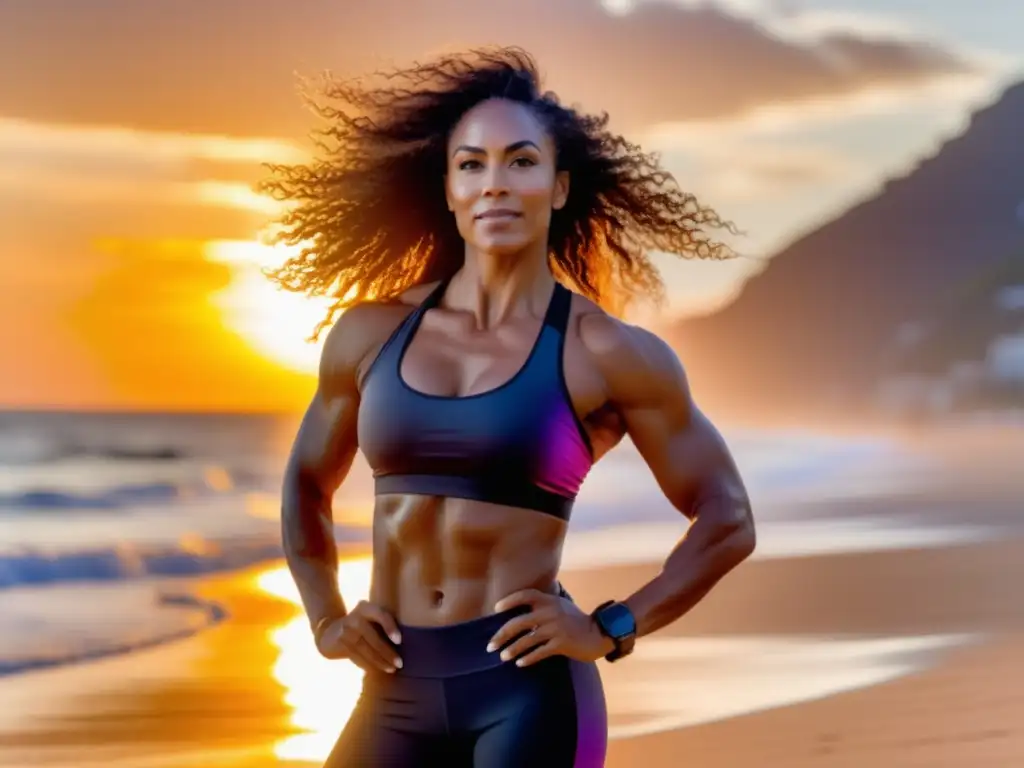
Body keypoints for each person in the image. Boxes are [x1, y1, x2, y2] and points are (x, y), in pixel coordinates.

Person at [270, 46, 756, 767]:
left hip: (526, 694)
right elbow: (308, 485)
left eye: (520, 161)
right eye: (471, 164)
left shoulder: (606, 351)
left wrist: (612, 624)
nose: (495, 184)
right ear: (447, 189)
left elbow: (727, 517)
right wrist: (326, 620)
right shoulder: (368, 335)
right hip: (391, 692)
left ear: (559, 188)